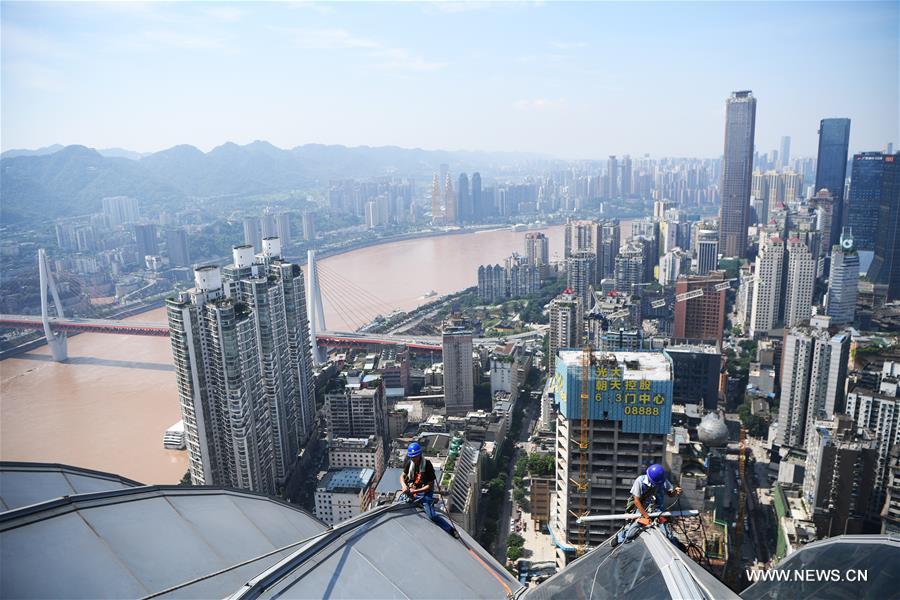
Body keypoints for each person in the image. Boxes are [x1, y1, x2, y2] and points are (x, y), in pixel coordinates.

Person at [613, 464, 686, 550]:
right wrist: (645, 515)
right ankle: (620, 537)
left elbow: (669, 494)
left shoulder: (662, 481)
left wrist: (675, 492)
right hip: (641, 508)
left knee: (667, 533)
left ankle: (674, 543)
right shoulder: (640, 481)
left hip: (656, 509)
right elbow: (636, 501)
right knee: (632, 531)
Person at [400, 442, 459, 538]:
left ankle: (451, 530)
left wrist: (415, 491)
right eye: (412, 457)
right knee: (401, 503)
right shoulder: (410, 464)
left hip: (425, 493)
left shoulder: (427, 465)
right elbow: (402, 476)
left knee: (432, 516)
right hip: (413, 490)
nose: (413, 459)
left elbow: (429, 485)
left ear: (419, 455)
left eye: (415, 457)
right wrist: (404, 486)